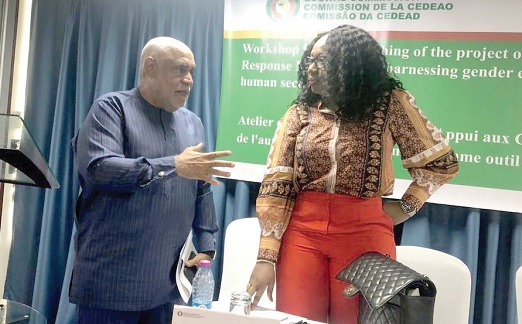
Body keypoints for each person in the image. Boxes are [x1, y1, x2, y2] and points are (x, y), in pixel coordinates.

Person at [246, 25, 459, 324]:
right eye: (310, 59)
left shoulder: (389, 103)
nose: (311, 68)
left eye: (322, 60)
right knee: (297, 320)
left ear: (349, 64)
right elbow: (277, 184)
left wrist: (408, 205)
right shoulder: (299, 112)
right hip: (302, 235)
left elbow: (440, 162)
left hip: (365, 234)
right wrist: (265, 257)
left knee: (360, 320)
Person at [70, 37, 235, 324]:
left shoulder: (192, 123)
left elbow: (201, 188)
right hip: (111, 284)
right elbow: (99, 168)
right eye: (181, 69)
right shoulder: (111, 109)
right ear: (150, 67)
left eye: (192, 72)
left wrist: (207, 244)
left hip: (168, 287)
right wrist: (172, 164)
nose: (188, 80)